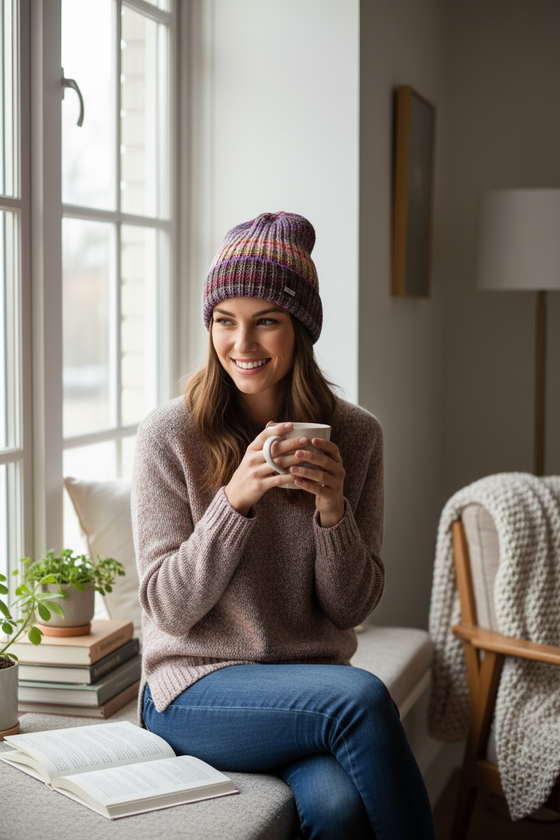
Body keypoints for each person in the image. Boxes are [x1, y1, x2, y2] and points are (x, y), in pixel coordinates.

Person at [132, 211, 437, 840]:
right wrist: (234, 502)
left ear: (300, 329)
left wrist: (333, 511)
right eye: (224, 320)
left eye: (265, 321)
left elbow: (350, 605)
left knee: (338, 809)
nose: (241, 345)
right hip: (195, 691)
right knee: (364, 697)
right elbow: (168, 607)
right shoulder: (170, 436)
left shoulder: (355, 435)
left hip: (306, 694)